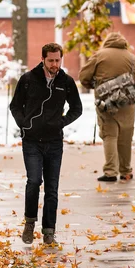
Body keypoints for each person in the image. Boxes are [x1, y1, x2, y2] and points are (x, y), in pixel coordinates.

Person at [10, 43, 83, 245]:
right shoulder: (28, 80)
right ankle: (30, 222)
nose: (54, 64)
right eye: (50, 60)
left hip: (54, 142)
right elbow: (15, 106)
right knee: (34, 181)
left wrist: (61, 122)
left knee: (52, 188)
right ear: (43, 59)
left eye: (57, 60)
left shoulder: (66, 82)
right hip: (32, 141)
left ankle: (49, 231)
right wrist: (24, 123)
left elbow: (77, 108)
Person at [78, 32, 135, 183]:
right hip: (127, 103)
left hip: (105, 103)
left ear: (107, 42)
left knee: (109, 135)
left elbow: (83, 77)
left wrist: (95, 86)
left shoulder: (99, 56)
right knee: (125, 137)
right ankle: (126, 171)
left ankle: (110, 172)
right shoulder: (132, 58)